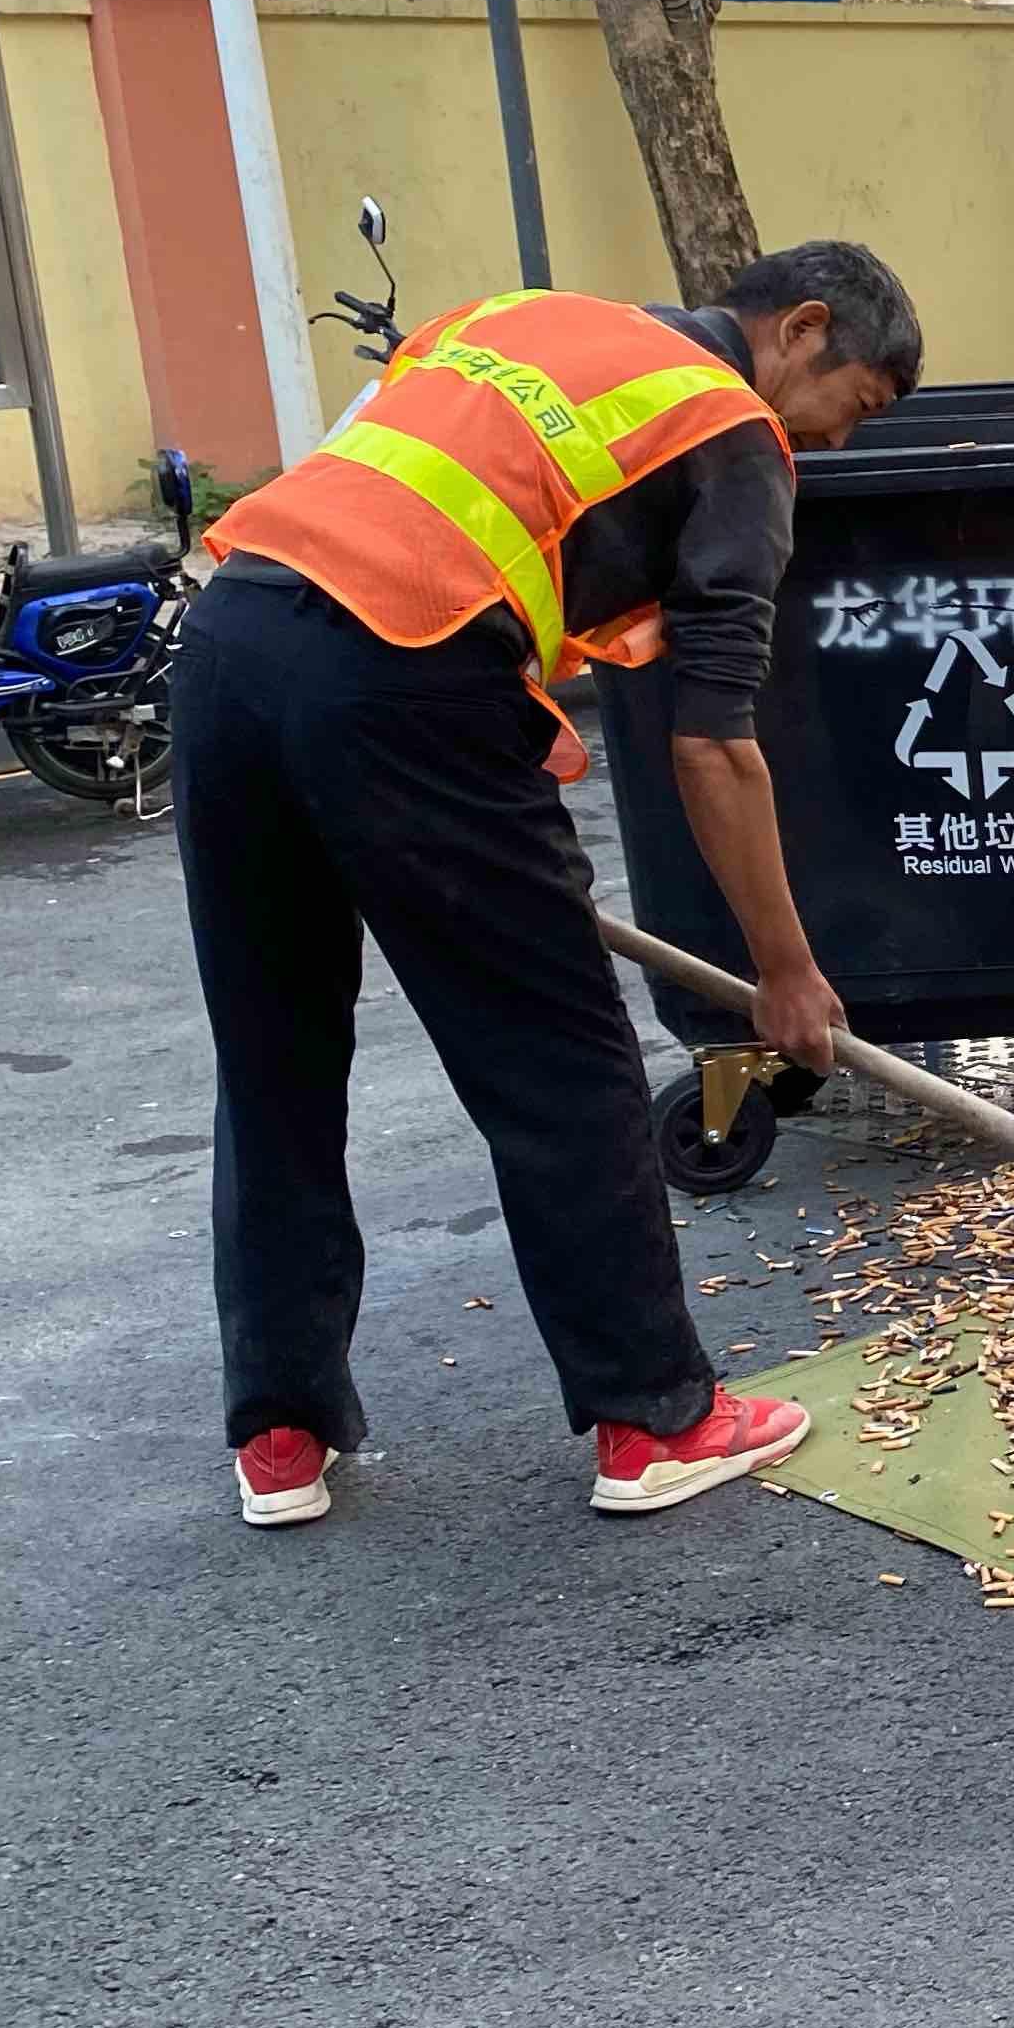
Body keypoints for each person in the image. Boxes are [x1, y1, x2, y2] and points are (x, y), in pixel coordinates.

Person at [178, 244, 921, 1531]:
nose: (838, 440)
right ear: (802, 330)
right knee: (560, 1062)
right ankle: (658, 1420)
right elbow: (713, 745)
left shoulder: (519, 318)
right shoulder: (731, 430)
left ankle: (280, 1433)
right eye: (853, 404)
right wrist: (786, 972)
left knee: (273, 1057)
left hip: (228, 648)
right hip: (407, 670)